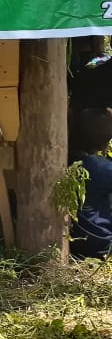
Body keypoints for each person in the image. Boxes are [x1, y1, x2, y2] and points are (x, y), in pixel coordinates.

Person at [69, 107, 112, 259]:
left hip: (74, 247)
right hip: (101, 248)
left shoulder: (68, 161)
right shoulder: (101, 168)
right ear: (104, 143)